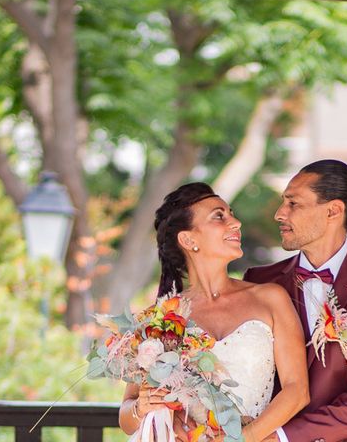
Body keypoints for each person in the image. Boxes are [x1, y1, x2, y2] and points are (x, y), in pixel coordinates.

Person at [118, 182, 310, 441]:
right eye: (219, 216)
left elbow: (297, 391)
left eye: (231, 213)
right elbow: (126, 417)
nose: (236, 222)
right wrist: (142, 406)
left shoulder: (270, 299)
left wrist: (242, 439)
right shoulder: (161, 318)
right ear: (188, 239)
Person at [244, 159, 347, 442]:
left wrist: (282, 437)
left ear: (333, 211)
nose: (279, 214)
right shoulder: (259, 281)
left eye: (293, 204)